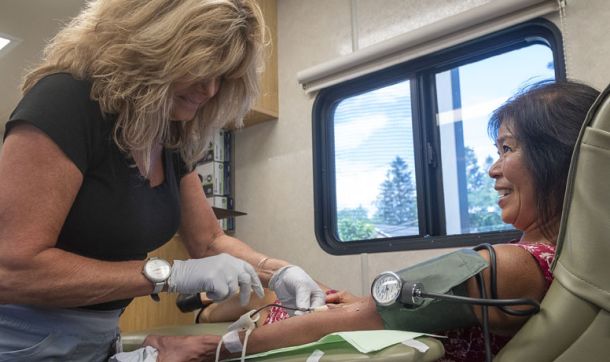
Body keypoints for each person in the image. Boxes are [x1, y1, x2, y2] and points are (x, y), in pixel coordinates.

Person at [141, 80, 600, 362]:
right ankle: (206, 308)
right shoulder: (551, 263)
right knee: (279, 294)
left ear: (557, 159)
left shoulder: (510, 264)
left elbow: (370, 315)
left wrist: (212, 351)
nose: (492, 169)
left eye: (506, 149)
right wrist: (357, 302)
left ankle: (204, 312)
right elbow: (392, 308)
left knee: (259, 301)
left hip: (272, 341)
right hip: (296, 327)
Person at [0, 0, 324, 361]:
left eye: (221, 76)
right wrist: (168, 274)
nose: (211, 89)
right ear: (155, 46)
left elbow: (209, 241)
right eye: (202, 69)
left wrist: (278, 272)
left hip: (100, 336)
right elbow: (12, 270)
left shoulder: (168, 135)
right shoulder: (65, 100)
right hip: (19, 341)